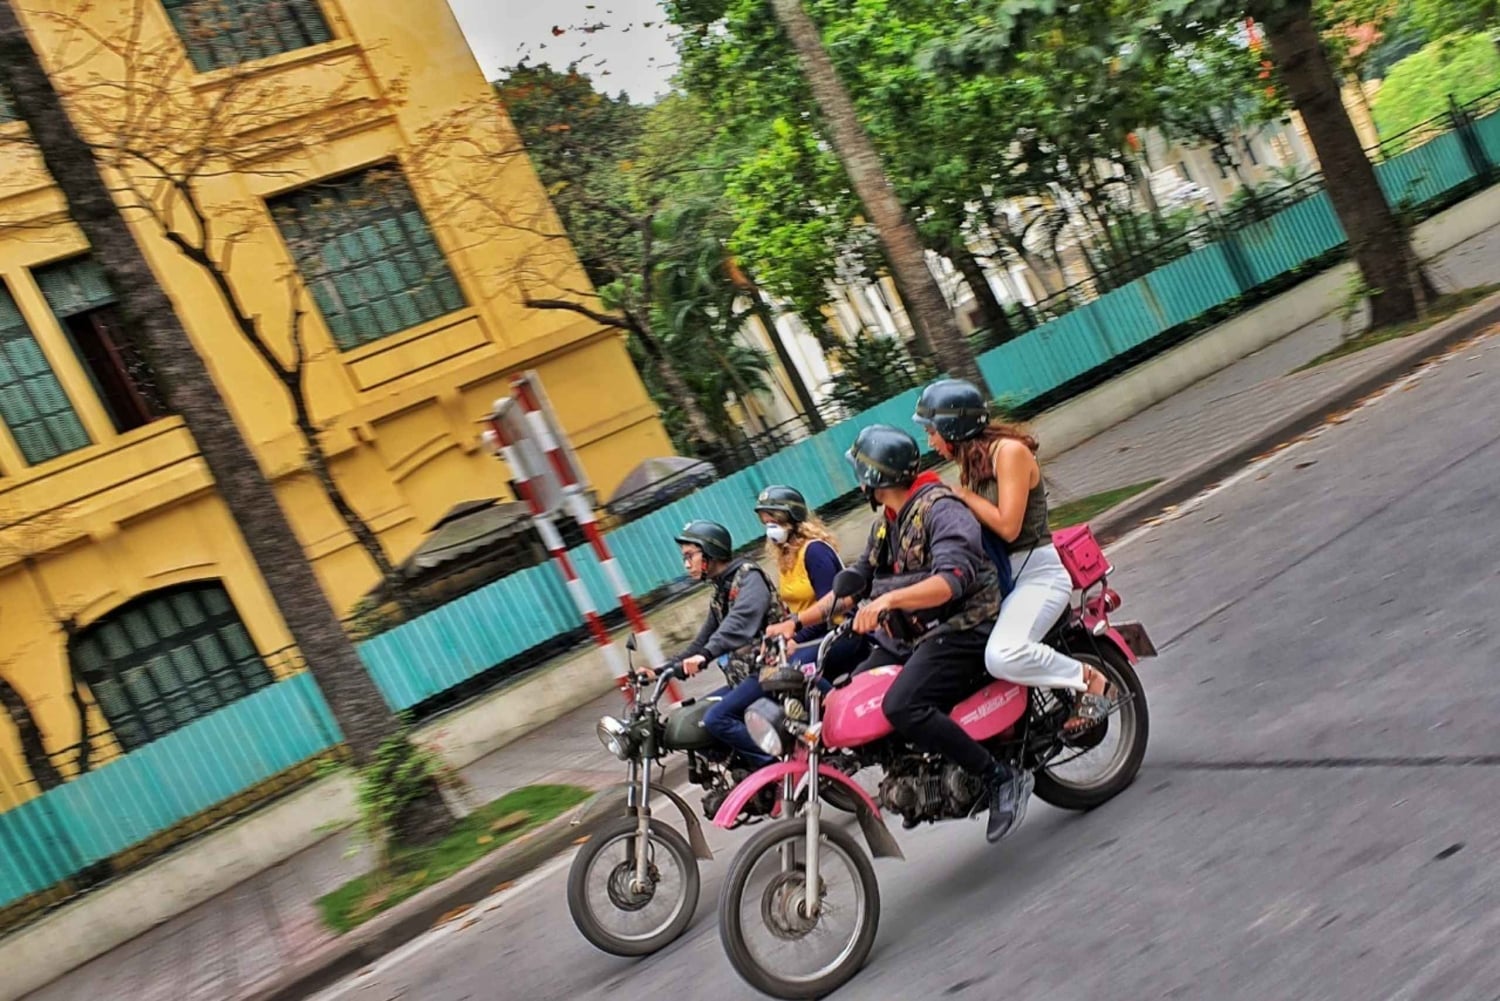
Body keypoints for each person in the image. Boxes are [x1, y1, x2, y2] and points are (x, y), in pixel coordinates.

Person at [784, 424, 1031, 843]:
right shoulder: (888, 522)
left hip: (963, 624)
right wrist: (797, 622)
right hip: (913, 634)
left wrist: (886, 603)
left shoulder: (940, 509)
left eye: (860, 471)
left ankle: (999, 776)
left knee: (903, 704)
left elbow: (951, 581)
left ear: (876, 477)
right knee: (857, 693)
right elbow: (859, 576)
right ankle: (919, 777)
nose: (858, 480)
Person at [914, 378, 1109, 734]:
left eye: (931, 431)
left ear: (951, 427)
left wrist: (961, 496)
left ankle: (1090, 679)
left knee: (1002, 654)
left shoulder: (1009, 452)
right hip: (1003, 581)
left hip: (1039, 576)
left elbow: (1009, 527)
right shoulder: (972, 464)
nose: (930, 441)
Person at [671, 520, 785, 768]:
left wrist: (706, 655)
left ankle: (775, 769)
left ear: (710, 552)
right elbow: (702, 640)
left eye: (690, 556)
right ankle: (741, 769)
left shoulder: (748, 576)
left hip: (770, 669)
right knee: (693, 719)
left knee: (717, 718)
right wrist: (661, 670)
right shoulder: (721, 591)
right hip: (744, 678)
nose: (686, 564)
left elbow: (738, 622)